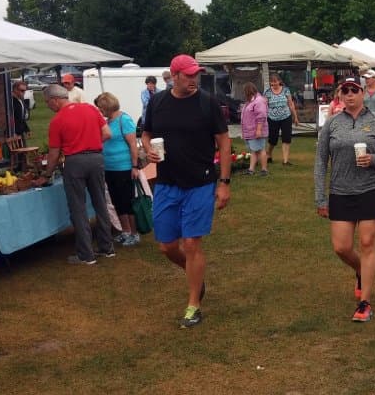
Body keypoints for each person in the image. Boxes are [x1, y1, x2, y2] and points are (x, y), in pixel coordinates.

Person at [142, 54, 231, 329]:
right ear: (174, 76)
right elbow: (146, 133)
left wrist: (224, 182)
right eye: (188, 75)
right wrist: (147, 149)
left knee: (192, 244)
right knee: (167, 246)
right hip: (167, 182)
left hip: (200, 182)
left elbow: (224, 142)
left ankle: (194, 304)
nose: (194, 79)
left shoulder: (207, 102)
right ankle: (195, 274)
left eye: (196, 74)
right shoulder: (157, 102)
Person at [314, 76, 375, 323]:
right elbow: (320, 161)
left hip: (372, 188)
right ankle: (362, 271)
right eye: (345, 91)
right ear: (340, 95)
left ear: (362, 93)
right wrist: (320, 198)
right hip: (341, 191)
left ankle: (365, 303)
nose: (350, 94)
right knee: (341, 247)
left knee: (367, 242)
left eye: (354, 90)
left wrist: (374, 160)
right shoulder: (332, 124)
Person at [42, 84, 114, 265]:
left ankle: (86, 254)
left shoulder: (57, 120)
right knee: (100, 203)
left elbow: (54, 152)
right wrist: (92, 142)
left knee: (78, 208)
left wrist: (47, 174)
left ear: (55, 100)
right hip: (96, 159)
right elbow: (107, 133)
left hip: (75, 162)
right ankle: (107, 247)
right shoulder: (91, 108)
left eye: (47, 102)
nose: (48, 106)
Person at [94, 92, 141, 246]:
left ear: (108, 106)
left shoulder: (124, 120)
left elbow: (133, 145)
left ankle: (134, 233)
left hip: (124, 167)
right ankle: (125, 231)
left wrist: (134, 166)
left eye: (101, 108)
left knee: (127, 200)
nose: (100, 111)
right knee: (116, 200)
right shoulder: (108, 121)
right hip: (110, 167)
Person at [265, 72, 300, 166]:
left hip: (286, 117)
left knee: (286, 139)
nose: (274, 84)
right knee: (273, 140)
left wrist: (295, 117)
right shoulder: (267, 92)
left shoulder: (286, 90)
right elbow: (264, 106)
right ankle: (268, 154)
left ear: (279, 81)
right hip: (272, 118)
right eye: (272, 82)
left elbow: (291, 104)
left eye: (275, 81)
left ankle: (285, 161)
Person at [240, 82, 269, 177]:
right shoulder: (251, 101)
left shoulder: (259, 101)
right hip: (250, 131)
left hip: (256, 130)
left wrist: (259, 130)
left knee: (260, 150)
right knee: (254, 150)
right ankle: (251, 169)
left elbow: (261, 116)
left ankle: (264, 169)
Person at [11, 80, 30, 145]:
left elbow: (21, 118)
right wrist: (13, 133)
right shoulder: (11, 102)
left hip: (20, 132)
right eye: (22, 91)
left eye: (25, 91)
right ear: (15, 90)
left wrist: (26, 129)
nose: (24, 93)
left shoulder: (21, 100)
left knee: (23, 149)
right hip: (14, 134)